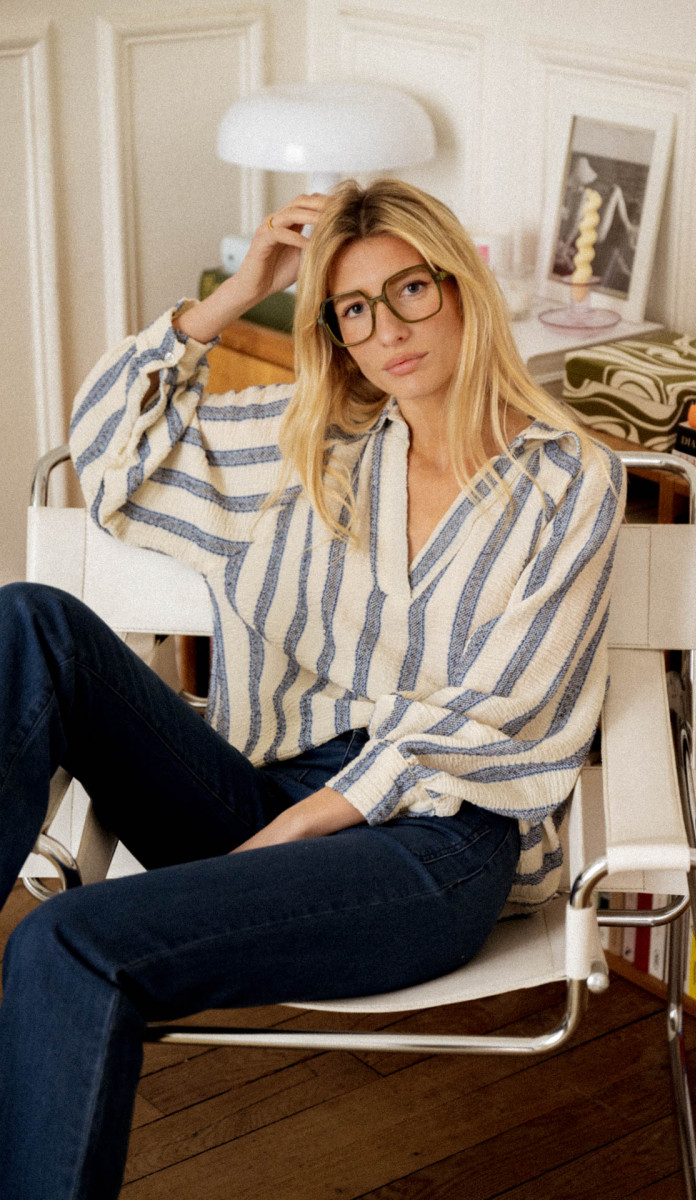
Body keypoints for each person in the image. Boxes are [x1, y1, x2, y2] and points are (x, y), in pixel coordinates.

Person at [0, 178, 624, 1198]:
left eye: (409, 289)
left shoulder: (570, 480)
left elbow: (502, 712)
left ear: (459, 285)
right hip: (260, 798)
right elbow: (111, 455)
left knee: (64, 940)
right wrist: (240, 289)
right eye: (354, 310)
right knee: (32, 620)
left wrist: (296, 832)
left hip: (433, 841)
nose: (389, 331)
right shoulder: (309, 444)